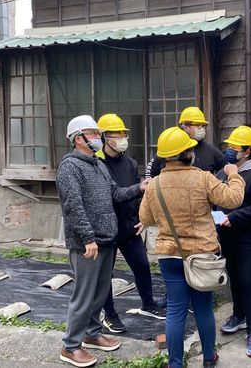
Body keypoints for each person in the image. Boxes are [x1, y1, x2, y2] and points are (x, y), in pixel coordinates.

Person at [139, 126, 245, 368]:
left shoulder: (154, 185)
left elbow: (145, 219)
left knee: (176, 310)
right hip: (202, 255)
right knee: (203, 308)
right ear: (188, 153)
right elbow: (233, 199)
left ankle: (175, 364)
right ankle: (209, 358)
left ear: (165, 157)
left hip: (170, 255)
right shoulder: (202, 178)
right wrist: (234, 174)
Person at [56, 115, 149, 368]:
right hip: (87, 244)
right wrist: (88, 238)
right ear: (79, 138)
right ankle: (70, 346)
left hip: (107, 239)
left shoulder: (98, 165)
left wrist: (140, 188)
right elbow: (73, 207)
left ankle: (92, 333)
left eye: (98, 133)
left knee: (99, 294)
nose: (99, 137)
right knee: (84, 296)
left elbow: (115, 194)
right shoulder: (69, 168)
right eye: (94, 133)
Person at [95, 113, 165, 336]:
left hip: (129, 226)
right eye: (116, 134)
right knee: (105, 275)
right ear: (104, 137)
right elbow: (113, 194)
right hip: (106, 229)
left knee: (142, 266)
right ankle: (110, 315)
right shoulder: (97, 164)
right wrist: (139, 189)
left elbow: (137, 196)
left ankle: (148, 304)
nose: (122, 137)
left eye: (124, 133)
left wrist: (142, 218)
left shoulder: (130, 163)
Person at [215, 125, 251, 358]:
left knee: (249, 282)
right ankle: (238, 315)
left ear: (247, 151)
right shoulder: (226, 171)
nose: (230, 150)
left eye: (234, 148)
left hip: (250, 239)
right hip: (228, 236)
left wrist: (235, 217)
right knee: (235, 280)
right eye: (229, 146)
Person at [145, 106, 226, 178]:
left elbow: (227, 170)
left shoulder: (211, 151)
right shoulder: (171, 147)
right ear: (184, 126)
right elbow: (149, 174)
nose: (201, 128)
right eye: (197, 125)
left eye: (203, 125)